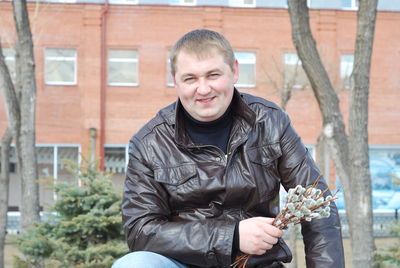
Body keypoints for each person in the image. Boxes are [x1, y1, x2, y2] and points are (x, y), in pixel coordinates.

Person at [112, 29, 345, 268]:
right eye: (190, 78)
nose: (203, 89)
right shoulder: (150, 143)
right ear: (175, 80)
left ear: (234, 71)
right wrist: (232, 236)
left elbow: (318, 205)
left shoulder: (270, 122)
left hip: (257, 264)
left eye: (213, 75)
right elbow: (140, 231)